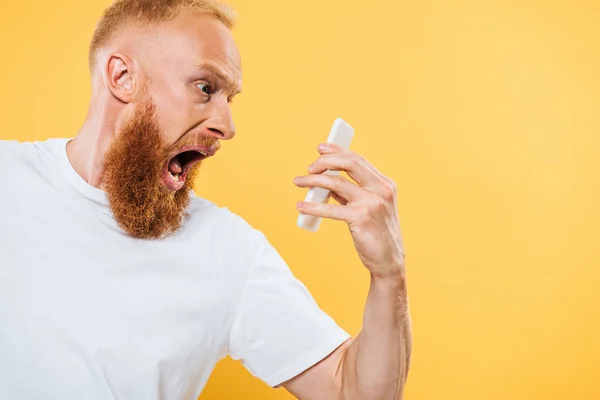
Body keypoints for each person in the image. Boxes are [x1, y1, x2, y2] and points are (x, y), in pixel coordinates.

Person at [0, 0, 412, 399]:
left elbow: (352, 394)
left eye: (228, 98)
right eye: (205, 87)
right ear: (123, 77)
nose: (227, 126)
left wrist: (389, 273)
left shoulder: (228, 251)